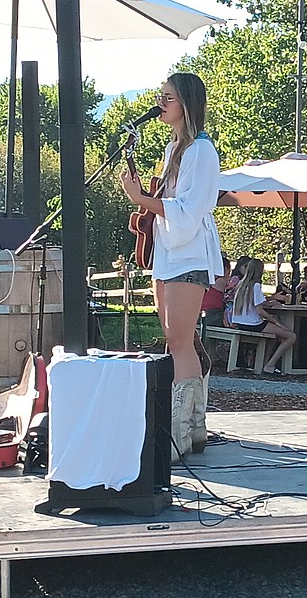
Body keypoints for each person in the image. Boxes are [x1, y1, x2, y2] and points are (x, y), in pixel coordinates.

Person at [118, 72, 222, 460]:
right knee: (176, 339)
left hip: (189, 253)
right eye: (160, 96)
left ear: (187, 105)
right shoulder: (173, 148)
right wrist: (143, 196)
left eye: (168, 98)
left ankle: (180, 433)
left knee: (179, 341)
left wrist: (140, 199)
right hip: (169, 252)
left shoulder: (201, 152)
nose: (160, 104)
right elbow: (167, 201)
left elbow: (190, 210)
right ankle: (192, 429)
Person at [228, 258, 297, 375]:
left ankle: (265, 364)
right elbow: (260, 311)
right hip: (253, 323)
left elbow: (253, 302)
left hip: (240, 321)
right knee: (291, 336)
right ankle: (270, 365)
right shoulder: (255, 285)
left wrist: (269, 303)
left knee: (274, 336)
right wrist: (276, 322)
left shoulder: (241, 284)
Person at [199, 252, 231, 328]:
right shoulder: (222, 281)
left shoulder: (208, 279)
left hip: (201, 311)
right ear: (226, 269)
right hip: (212, 313)